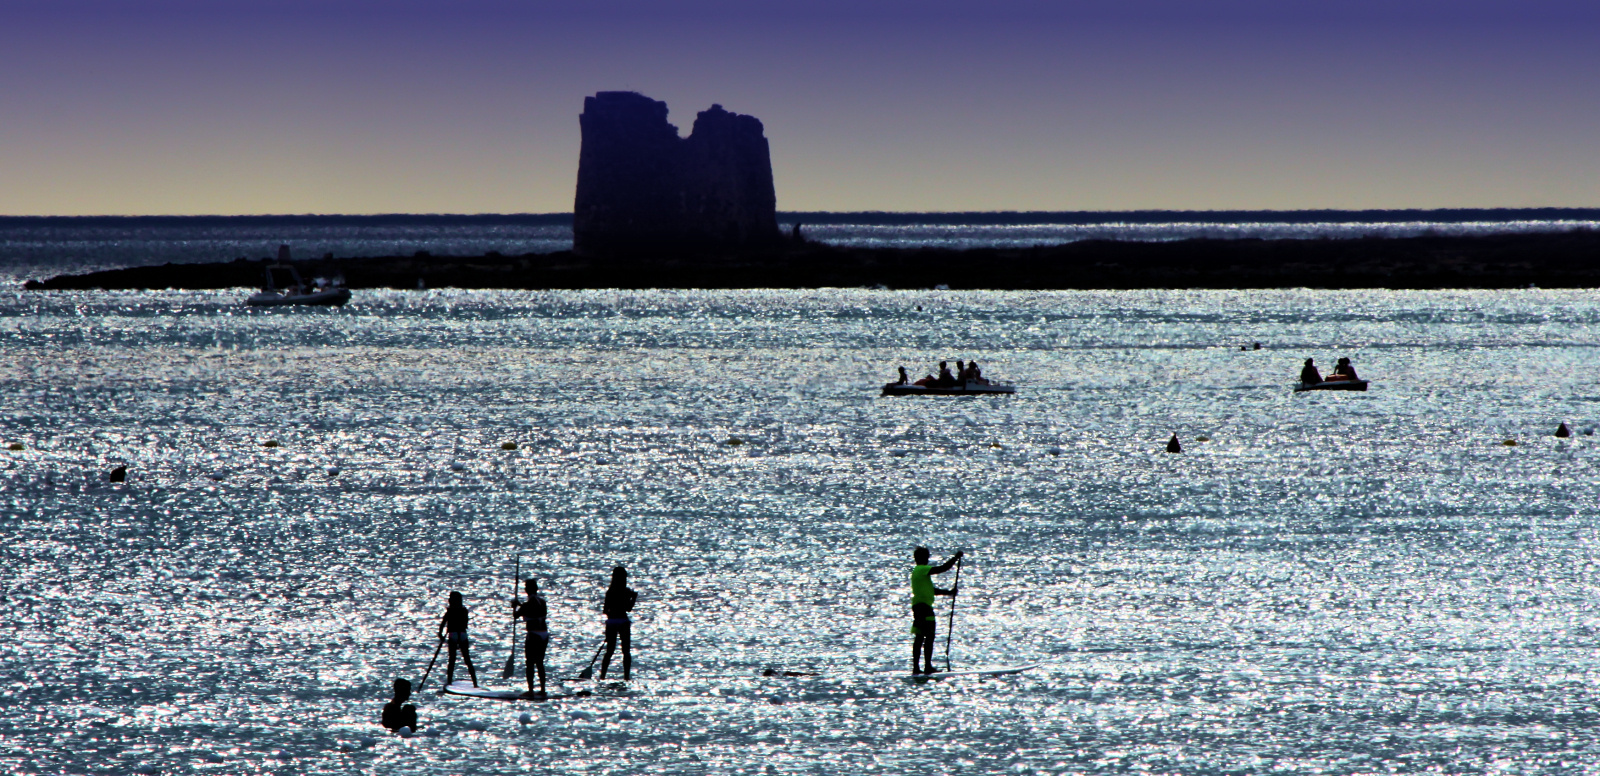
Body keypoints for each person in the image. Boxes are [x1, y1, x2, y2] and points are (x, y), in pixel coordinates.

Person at [909, 547, 963, 675]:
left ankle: (916, 668)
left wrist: (948, 592)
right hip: (924, 608)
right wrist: (955, 558)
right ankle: (927, 667)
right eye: (926, 557)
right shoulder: (922, 569)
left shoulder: (918, 572)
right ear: (923, 558)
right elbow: (942, 569)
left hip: (919, 607)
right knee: (928, 636)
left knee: (920, 637)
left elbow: (931, 590)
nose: (927, 560)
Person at [511, 578, 550, 698]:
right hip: (544, 635)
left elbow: (516, 615)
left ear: (527, 590)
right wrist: (520, 605)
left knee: (530, 662)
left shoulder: (528, 605)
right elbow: (533, 610)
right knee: (540, 662)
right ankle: (543, 689)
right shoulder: (542, 602)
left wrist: (515, 606)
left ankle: (531, 690)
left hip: (534, 635)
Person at [598, 566, 637, 681]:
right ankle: (626, 677)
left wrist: (612, 615)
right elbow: (628, 609)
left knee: (609, 650)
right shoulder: (626, 591)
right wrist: (633, 598)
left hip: (611, 622)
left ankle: (602, 676)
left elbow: (605, 610)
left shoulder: (610, 591)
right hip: (623, 622)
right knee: (626, 651)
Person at [436, 591, 478, 690]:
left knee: (452, 660)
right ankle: (475, 682)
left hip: (454, 635)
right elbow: (465, 623)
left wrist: (441, 635)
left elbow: (442, 625)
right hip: (462, 635)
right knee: (467, 659)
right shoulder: (464, 610)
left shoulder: (450, 611)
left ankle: (449, 681)